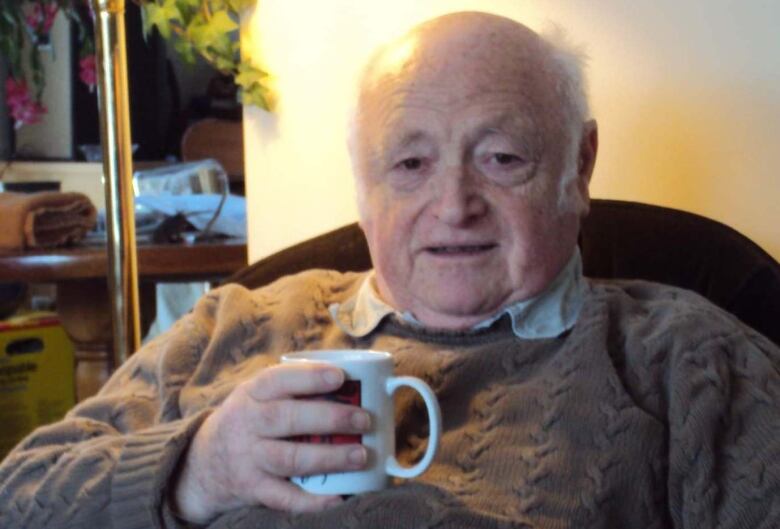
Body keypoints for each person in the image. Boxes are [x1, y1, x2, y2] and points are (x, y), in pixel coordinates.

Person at [2, 11, 778, 529]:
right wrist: (196, 469)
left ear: (579, 165)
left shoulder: (688, 359)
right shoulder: (231, 325)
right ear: (364, 187)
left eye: (501, 158)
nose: (453, 205)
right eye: (409, 163)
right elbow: (18, 495)